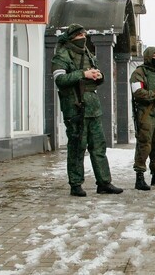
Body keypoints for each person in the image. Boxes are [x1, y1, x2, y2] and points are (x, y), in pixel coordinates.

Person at [51, 23, 123, 197]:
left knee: (99, 146)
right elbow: (60, 79)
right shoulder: (62, 55)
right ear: (71, 38)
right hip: (75, 107)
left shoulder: (88, 54)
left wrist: (99, 76)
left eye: (84, 34)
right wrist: (83, 74)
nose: (83, 38)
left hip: (93, 107)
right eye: (79, 35)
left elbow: (95, 76)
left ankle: (104, 182)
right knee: (77, 147)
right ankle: (75, 184)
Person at [130, 46, 155, 190]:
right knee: (144, 145)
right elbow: (137, 91)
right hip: (145, 113)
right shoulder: (139, 72)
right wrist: (154, 96)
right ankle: (139, 176)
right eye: (154, 57)